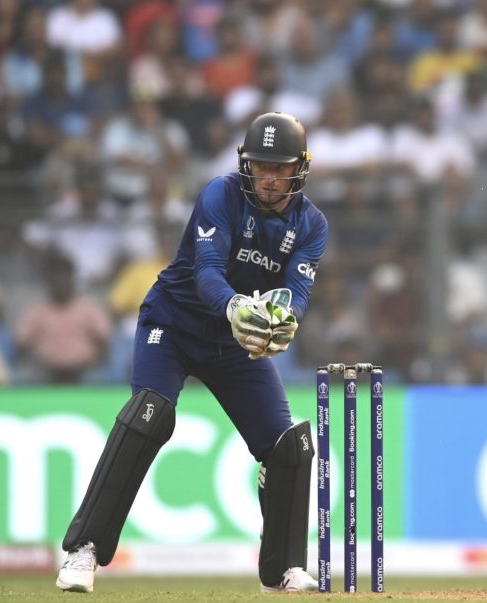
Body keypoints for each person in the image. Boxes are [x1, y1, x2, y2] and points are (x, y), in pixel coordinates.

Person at [55, 112, 327, 594]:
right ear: (246, 165)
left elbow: (296, 292)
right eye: (260, 167)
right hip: (174, 324)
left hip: (235, 344)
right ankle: (84, 551)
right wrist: (237, 306)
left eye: (278, 168)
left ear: (298, 170)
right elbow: (205, 272)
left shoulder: (311, 224)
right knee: (150, 414)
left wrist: (285, 316)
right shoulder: (220, 195)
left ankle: (282, 571)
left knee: (289, 445)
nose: (267, 178)